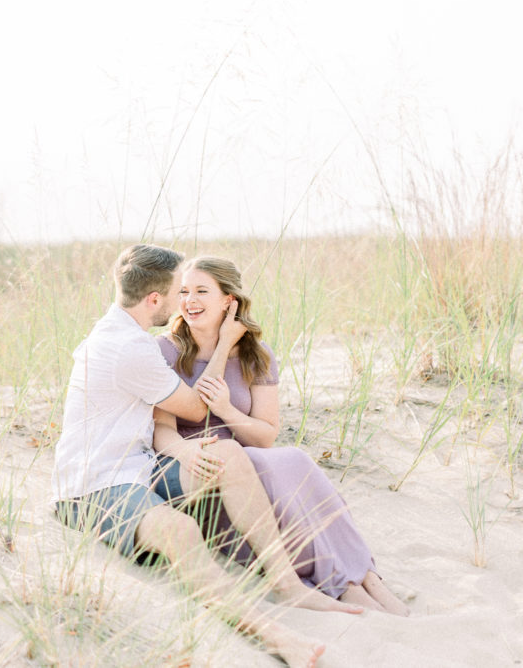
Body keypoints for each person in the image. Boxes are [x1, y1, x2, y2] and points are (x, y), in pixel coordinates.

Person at [51, 244, 361, 668]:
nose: (186, 300)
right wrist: (221, 350)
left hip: (143, 469)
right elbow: (197, 408)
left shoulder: (130, 338)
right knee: (179, 532)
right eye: (180, 290)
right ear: (155, 300)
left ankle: (286, 582)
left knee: (229, 454)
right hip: (95, 485)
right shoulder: (129, 348)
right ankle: (277, 637)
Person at [153, 255, 409, 615]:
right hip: (203, 469)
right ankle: (342, 581)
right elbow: (162, 429)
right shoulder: (165, 351)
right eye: (183, 292)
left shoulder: (257, 356)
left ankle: (366, 578)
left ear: (230, 300)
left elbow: (265, 436)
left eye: (201, 291)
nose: (189, 301)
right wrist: (224, 343)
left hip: (254, 466)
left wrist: (227, 410)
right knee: (275, 461)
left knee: (293, 460)